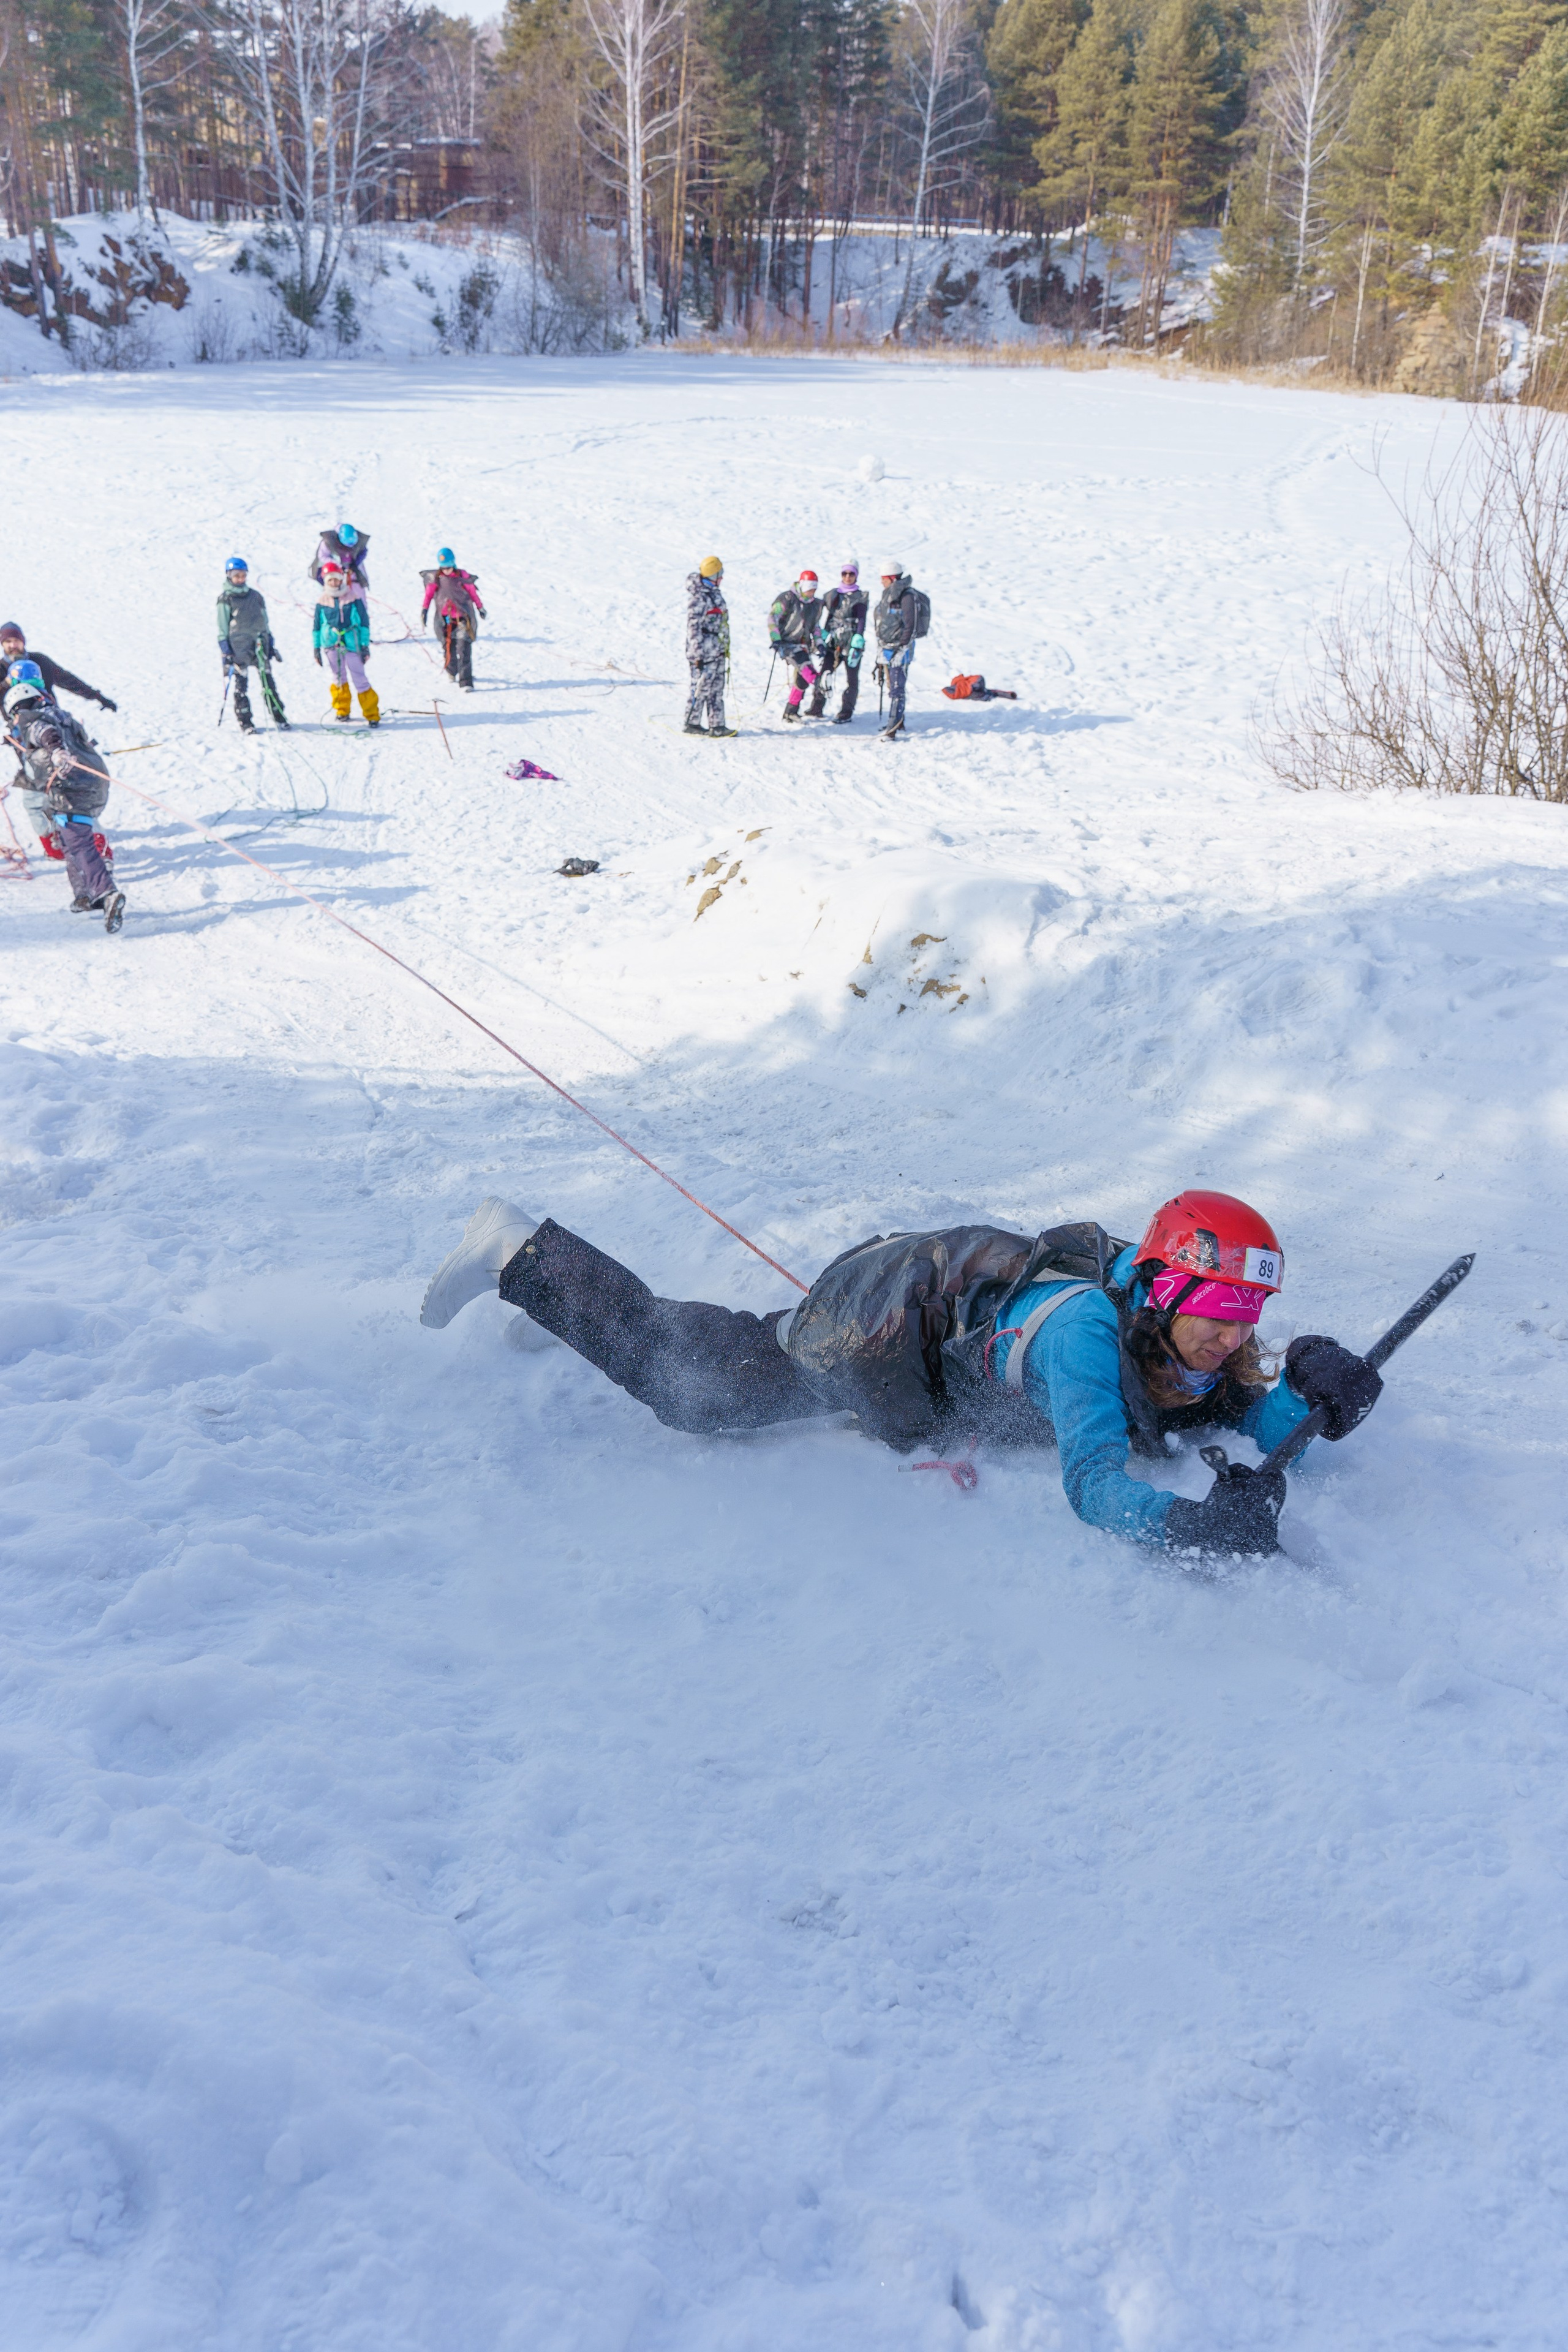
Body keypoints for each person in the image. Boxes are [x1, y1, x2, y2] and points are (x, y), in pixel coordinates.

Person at [417, 1188, 1382, 1559]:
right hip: (885, 1338)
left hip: (943, 1328)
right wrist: (1191, 1526)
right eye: (1218, 1313)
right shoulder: (1086, 1338)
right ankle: (519, 1255)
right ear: (1166, 1291)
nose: (1231, 1336)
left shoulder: (1176, 1330)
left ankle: (565, 1319)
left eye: (1249, 1317)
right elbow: (1094, 1489)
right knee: (694, 1393)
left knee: (713, 1352)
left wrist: (1314, 1394)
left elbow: (1236, 1415)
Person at [4, 668, 124, 930]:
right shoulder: (63, 715)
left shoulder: (31, 718)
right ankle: (83, 896)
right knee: (69, 839)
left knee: (79, 843)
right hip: (95, 785)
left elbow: (44, 733)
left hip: (72, 788)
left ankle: (106, 892)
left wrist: (57, 751)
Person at [217, 557, 288, 734]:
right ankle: (246, 722)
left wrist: (270, 642)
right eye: (236, 575)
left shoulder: (256, 596)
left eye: (243, 575)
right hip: (238, 647)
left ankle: (279, 717)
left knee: (268, 683)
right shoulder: (226, 599)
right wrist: (226, 651)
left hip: (259, 644)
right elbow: (222, 627)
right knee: (242, 686)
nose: (240, 578)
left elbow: (265, 621)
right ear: (229, 576)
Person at [0, 623, 116, 723]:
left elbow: (69, 681)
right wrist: (6, 684)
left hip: (50, 716)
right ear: (2, 644)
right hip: (18, 725)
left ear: (23, 641)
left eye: (16, 641)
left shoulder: (41, 661)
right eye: (8, 641)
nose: (13, 645)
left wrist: (98, 697)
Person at [314, 558, 379, 725]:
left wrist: (365, 646)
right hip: (331, 645)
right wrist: (317, 648)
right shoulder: (322, 601)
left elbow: (364, 622)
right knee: (338, 677)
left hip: (352, 644)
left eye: (337, 579)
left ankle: (371, 713)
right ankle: (342, 710)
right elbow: (317, 627)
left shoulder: (353, 597)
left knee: (359, 677)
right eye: (331, 580)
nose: (334, 583)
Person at [809, 559, 869, 723]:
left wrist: (859, 637)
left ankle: (846, 712)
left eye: (851, 574)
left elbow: (861, 620)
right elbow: (830, 617)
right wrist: (824, 633)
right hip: (834, 643)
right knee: (825, 674)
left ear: (856, 576)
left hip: (851, 643)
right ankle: (816, 707)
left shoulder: (860, 597)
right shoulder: (834, 595)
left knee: (852, 678)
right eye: (845, 573)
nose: (848, 577)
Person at [420, 548, 486, 692]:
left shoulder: (463, 577)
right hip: (445, 620)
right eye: (443, 568)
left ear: (454, 564)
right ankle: (451, 671)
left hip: (463, 619)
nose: (446, 571)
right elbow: (429, 596)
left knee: (464, 648)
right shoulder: (435, 578)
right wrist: (424, 610)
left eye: (449, 568)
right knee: (448, 647)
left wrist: (480, 608)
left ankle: (466, 681)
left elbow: (473, 594)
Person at [768, 570, 823, 723]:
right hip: (787, 644)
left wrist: (819, 643)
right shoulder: (787, 598)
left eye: (815, 589)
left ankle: (791, 711)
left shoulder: (815, 605)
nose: (812, 592)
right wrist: (775, 638)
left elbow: (816, 627)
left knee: (802, 680)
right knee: (808, 671)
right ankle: (820, 689)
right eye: (810, 589)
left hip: (804, 645)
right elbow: (773, 617)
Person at [684, 556, 730, 736]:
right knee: (701, 688)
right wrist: (698, 656)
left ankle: (717, 725)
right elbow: (693, 629)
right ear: (713, 575)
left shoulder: (714, 593)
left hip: (717, 651)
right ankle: (692, 722)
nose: (722, 578)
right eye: (720, 574)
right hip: (703, 653)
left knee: (717, 688)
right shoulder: (699, 598)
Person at [872, 557, 918, 740]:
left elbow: (911, 624)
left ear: (892, 578)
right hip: (889, 648)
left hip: (901, 648)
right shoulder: (891, 594)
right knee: (893, 684)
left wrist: (903, 647)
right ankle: (898, 721)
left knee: (898, 686)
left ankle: (893, 728)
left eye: (883, 578)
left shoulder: (907, 596)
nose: (881, 582)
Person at [310, 523, 369, 590]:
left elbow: (363, 552)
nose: (350, 547)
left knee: (356, 587)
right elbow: (323, 556)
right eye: (347, 544)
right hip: (332, 568)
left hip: (351, 570)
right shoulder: (328, 542)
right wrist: (338, 566)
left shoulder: (360, 541)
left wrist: (356, 563)